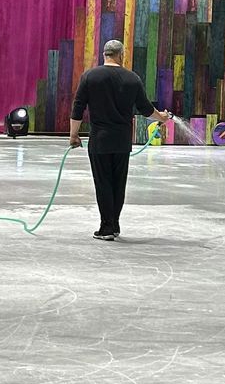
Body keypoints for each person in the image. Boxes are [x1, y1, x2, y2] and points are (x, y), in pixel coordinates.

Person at [69, 40, 170, 241]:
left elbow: (78, 108)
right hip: (122, 141)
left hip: (100, 141)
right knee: (118, 183)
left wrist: (74, 135)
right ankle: (114, 225)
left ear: (104, 54)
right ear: (121, 55)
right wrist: (162, 117)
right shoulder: (132, 78)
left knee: (103, 183)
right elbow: (145, 108)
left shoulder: (90, 76)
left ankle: (106, 227)